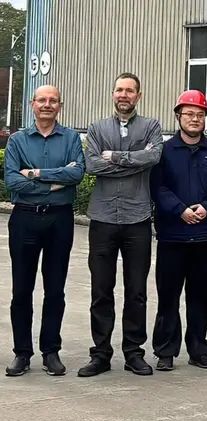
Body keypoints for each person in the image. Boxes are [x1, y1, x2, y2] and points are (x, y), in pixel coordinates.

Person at [78, 73, 164, 377]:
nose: (123, 95)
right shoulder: (97, 128)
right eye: (119, 90)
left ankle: (133, 352)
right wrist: (134, 161)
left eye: (129, 90)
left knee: (136, 290)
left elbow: (154, 156)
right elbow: (91, 165)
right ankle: (100, 353)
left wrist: (114, 156)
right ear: (112, 94)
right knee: (101, 289)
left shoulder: (151, 126)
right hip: (102, 219)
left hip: (137, 219)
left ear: (138, 95)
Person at [3, 85, 85, 377]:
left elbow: (77, 174)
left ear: (59, 106)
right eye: (42, 100)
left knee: (55, 290)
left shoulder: (72, 138)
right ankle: (22, 353)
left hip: (59, 221)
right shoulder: (17, 141)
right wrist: (54, 182)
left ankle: (51, 351)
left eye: (52, 100)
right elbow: (13, 181)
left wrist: (36, 174)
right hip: (24, 220)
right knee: (22, 290)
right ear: (32, 104)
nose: (47, 104)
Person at [149, 90, 207, 371]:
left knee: (199, 298)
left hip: (204, 236)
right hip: (173, 235)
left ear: (205, 118)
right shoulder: (164, 151)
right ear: (178, 117)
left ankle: (199, 349)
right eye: (189, 113)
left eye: (200, 114)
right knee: (168, 296)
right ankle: (165, 351)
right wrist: (179, 210)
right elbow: (158, 187)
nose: (195, 119)